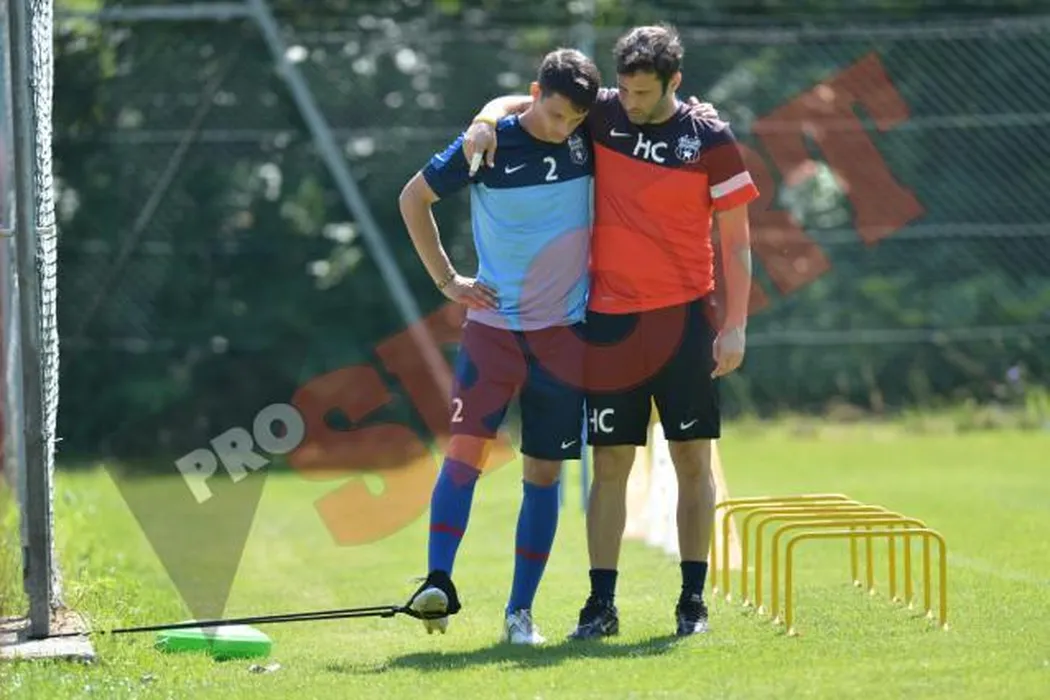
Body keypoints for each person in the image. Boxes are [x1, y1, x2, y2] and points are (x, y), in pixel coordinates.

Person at [463, 24, 759, 638]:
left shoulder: (711, 138)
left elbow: (737, 244)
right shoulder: (602, 112)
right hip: (610, 321)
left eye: (643, 92)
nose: (630, 101)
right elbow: (525, 100)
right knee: (611, 464)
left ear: (675, 83)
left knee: (692, 459)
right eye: (624, 89)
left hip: (685, 320)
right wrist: (484, 119)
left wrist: (734, 327)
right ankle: (600, 604)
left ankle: (692, 602)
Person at [397, 48, 601, 645]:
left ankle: (520, 614)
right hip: (492, 333)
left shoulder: (588, 137)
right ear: (535, 94)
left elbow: (643, 114)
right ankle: (437, 583)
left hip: (565, 336)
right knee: (464, 457)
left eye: (574, 120)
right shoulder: (486, 146)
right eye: (555, 114)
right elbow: (413, 199)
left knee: (543, 473)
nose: (563, 129)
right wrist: (448, 281)